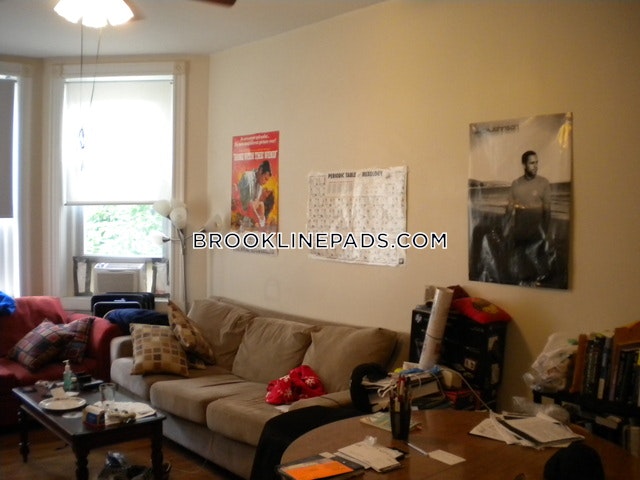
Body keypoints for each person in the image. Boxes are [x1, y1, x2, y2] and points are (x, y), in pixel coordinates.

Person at [504, 150, 552, 286]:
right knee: (520, 267)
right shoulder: (516, 184)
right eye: (532, 163)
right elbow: (509, 208)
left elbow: (547, 210)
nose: (535, 166)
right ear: (524, 165)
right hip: (520, 232)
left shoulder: (544, 183)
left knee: (537, 269)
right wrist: (505, 229)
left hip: (537, 232)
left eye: (536, 162)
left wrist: (547, 233)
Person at [236, 160, 272, 228]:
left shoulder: (260, 187)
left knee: (261, 204)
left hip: (250, 213)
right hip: (242, 209)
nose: (265, 182)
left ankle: (261, 224)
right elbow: (241, 201)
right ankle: (260, 224)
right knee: (253, 204)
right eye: (265, 178)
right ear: (261, 171)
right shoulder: (247, 177)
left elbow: (256, 203)